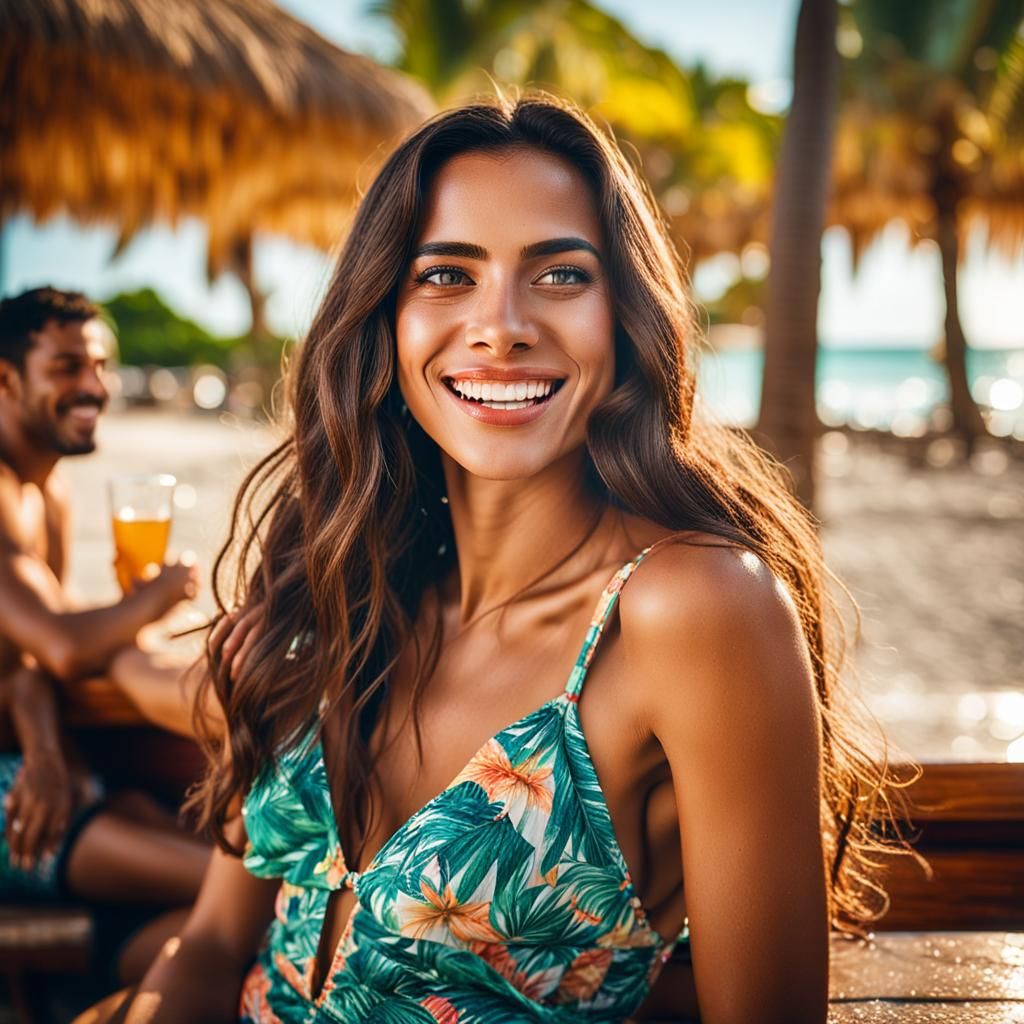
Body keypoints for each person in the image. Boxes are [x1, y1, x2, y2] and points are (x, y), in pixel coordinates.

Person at [97, 94, 916, 1024]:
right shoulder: (349, 590)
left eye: (561, 275)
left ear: (626, 316)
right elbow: (212, 943)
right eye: (447, 274)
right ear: (383, 317)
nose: (501, 326)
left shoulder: (692, 609)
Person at [0, 287, 210, 981]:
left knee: (185, 823)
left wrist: (44, 748)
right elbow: (60, 644)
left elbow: (24, 660)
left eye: (100, 366)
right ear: (7, 379)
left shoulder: (48, 493)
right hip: (10, 799)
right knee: (239, 885)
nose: (94, 387)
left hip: (32, 768)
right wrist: (159, 594)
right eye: (66, 367)